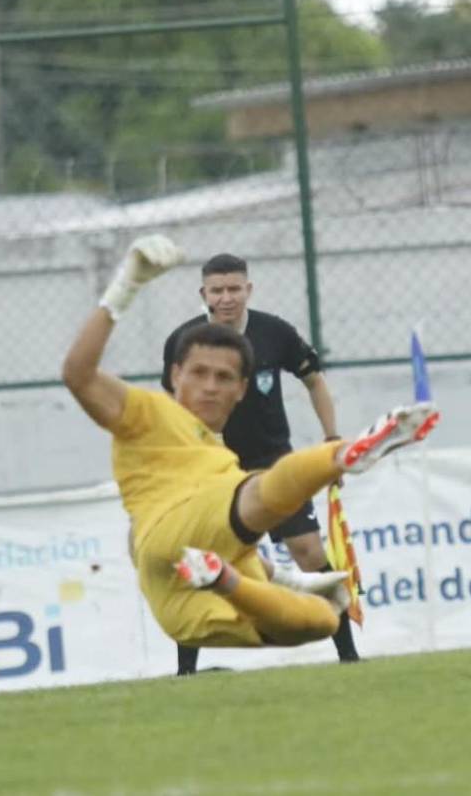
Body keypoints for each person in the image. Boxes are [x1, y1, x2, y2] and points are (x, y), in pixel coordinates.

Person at [61, 234, 439, 654]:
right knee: (253, 495)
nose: (210, 388)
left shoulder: (270, 339)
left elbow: (313, 379)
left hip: (203, 604)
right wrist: (126, 285)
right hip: (181, 529)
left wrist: (271, 581)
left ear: (242, 389)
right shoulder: (151, 414)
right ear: (174, 374)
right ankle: (342, 456)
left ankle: (278, 591)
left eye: (223, 379)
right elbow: (78, 374)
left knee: (314, 619)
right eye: (198, 374)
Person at [161, 252, 358, 674]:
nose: (227, 297)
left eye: (235, 288)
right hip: (212, 470)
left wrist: (331, 436)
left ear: (248, 289)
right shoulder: (184, 341)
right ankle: (185, 672)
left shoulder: (274, 333)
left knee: (307, 552)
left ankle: (349, 656)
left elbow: (314, 380)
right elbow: (171, 408)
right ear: (204, 294)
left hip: (272, 464)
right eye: (218, 290)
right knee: (200, 561)